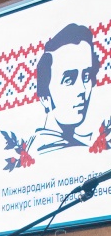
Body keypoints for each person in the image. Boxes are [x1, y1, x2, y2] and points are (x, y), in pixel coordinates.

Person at [31, 23, 99, 154]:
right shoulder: (42, 152)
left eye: (86, 77)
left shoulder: (86, 145)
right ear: (45, 97)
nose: (82, 90)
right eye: (69, 80)